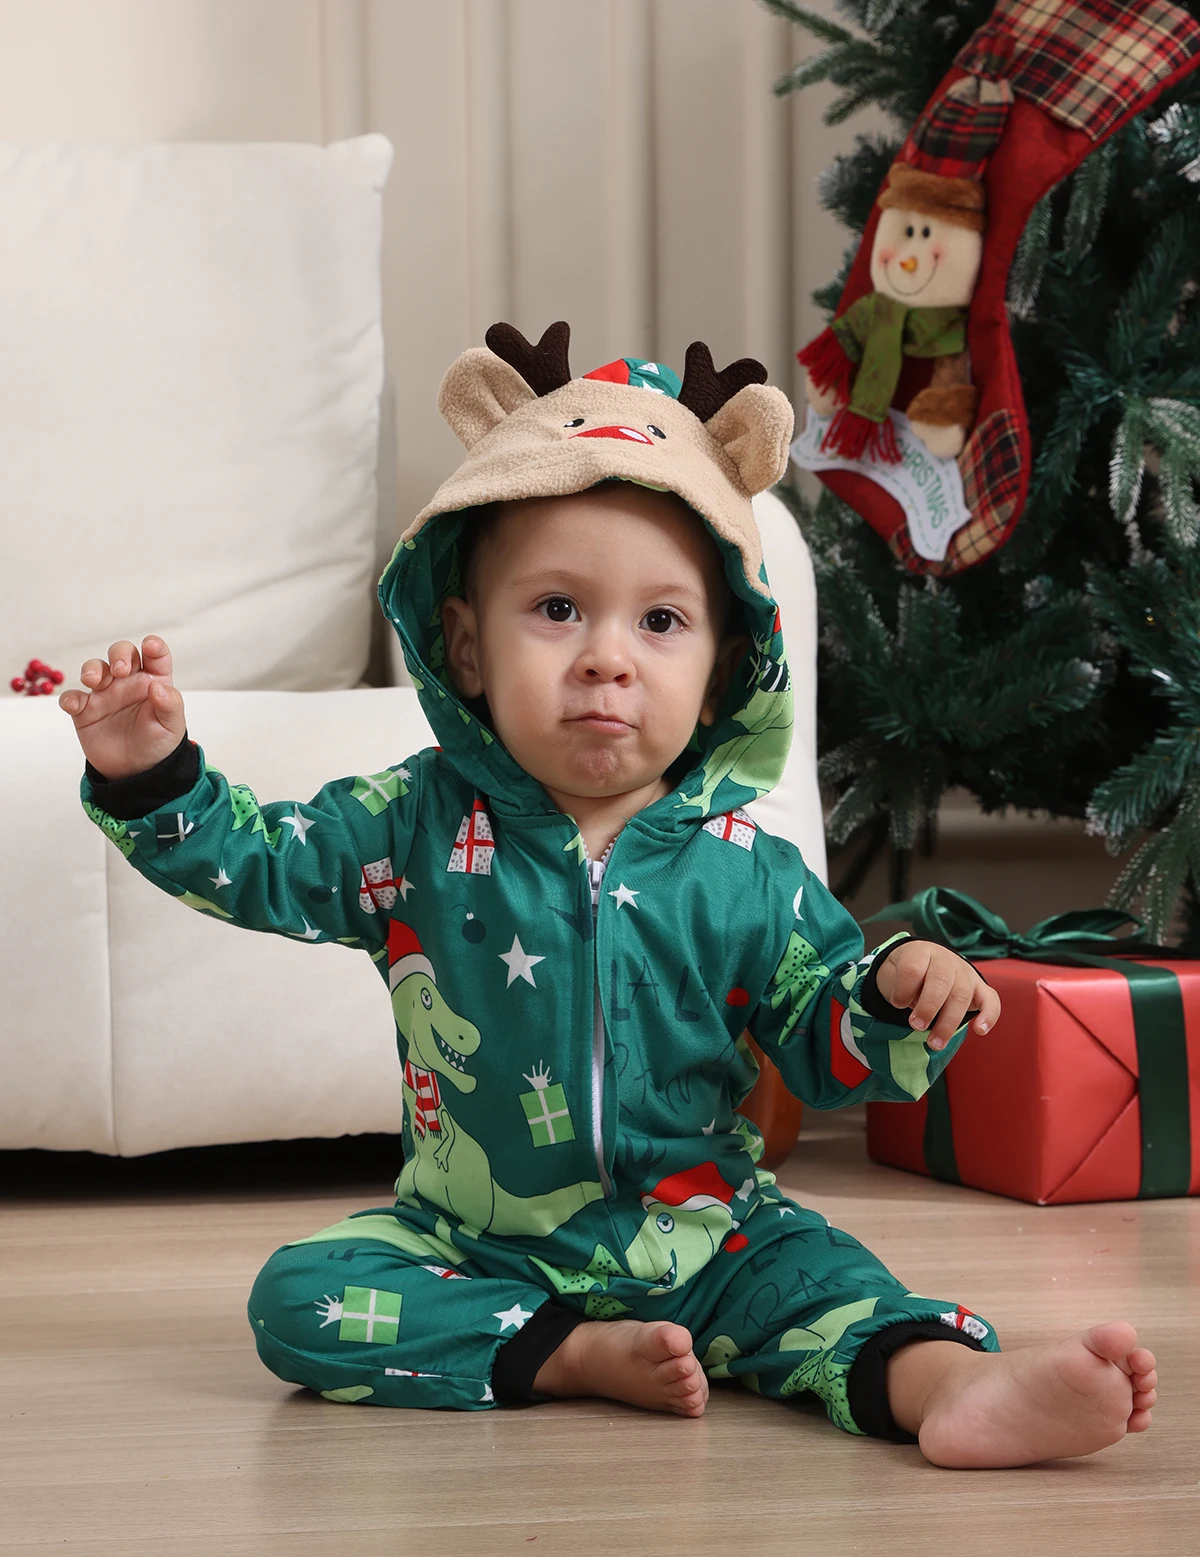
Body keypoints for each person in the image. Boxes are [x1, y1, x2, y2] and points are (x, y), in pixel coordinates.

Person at [61, 322, 1157, 1467]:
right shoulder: (409, 822)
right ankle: (566, 1351)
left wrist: (893, 987)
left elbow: (832, 1045)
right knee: (300, 1299)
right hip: (474, 1244)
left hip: (712, 1237)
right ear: (467, 646)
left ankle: (955, 1387)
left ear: (724, 667)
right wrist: (156, 776)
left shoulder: (744, 868)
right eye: (556, 610)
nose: (607, 658)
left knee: (831, 1284)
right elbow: (260, 859)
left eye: (661, 621)